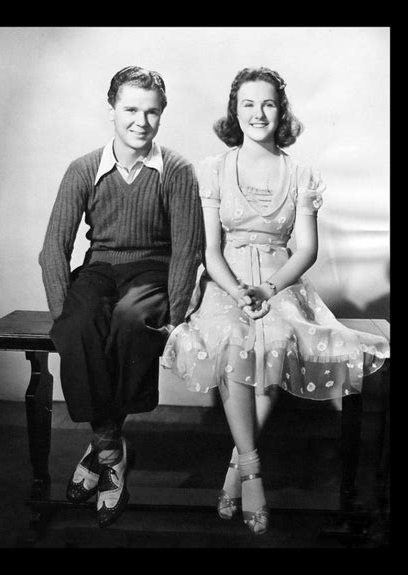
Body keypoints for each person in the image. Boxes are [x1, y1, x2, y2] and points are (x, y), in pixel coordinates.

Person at [161, 66, 390, 535]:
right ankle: (252, 472)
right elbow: (210, 250)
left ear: (281, 110)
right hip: (226, 283)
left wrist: (268, 289)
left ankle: (235, 472)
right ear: (235, 111)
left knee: (278, 340)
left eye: (268, 103)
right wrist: (236, 291)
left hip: (280, 283)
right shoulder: (214, 169)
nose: (258, 113)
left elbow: (306, 249)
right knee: (232, 340)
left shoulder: (301, 172)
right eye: (248, 103)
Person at [39, 66, 204, 528]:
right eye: (131, 109)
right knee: (78, 323)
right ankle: (112, 449)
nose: (141, 121)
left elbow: (188, 248)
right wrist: (61, 313)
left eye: (152, 113)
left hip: (152, 270)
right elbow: (53, 248)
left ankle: (104, 449)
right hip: (99, 269)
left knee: (133, 321)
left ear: (162, 116)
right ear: (112, 109)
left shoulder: (176, 170)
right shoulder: (84, 169)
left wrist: (172, 312)